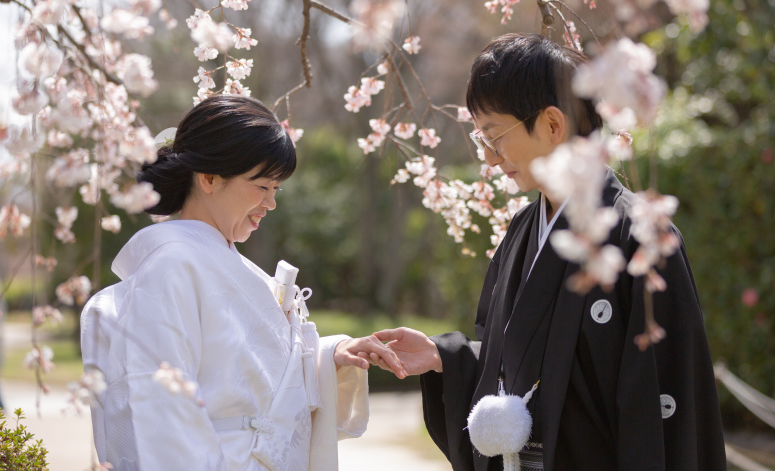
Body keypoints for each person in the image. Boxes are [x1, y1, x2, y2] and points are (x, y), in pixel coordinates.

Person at [372, 34, 727, 471]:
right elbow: (524, 360)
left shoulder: (641, 237)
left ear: (552, 124)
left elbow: (666, 394)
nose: (488, 158)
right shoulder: (523, 229)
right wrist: (446, 358)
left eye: (493, 135)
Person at [80, 95, 406, 471]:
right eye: (261, 186)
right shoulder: (171, 265)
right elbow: (164, 406)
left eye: (276, 189)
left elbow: (261, 375)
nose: (270, 203)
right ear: (209, 178)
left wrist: (329, 357)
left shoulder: (224, 262)